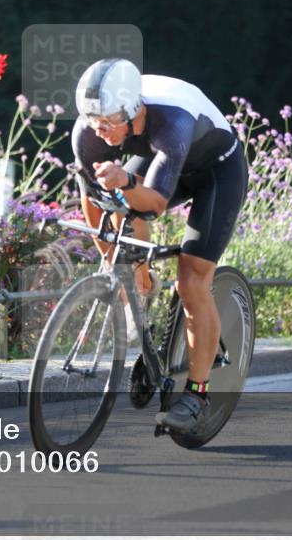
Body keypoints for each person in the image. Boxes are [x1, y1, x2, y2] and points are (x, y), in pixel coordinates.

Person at [71, 58, 247, 433]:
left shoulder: (173, 121)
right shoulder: (90, 129)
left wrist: (125, 183)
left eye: (109, 123)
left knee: (191, 279)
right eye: (94, 122)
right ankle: (146, 293)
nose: (100, 132)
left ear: (133, 109)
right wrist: (115, 261)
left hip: (216, 171)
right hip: (162, 160)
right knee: (119, 210)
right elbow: (92, 199)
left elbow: (154, 204)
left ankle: (198, 396)